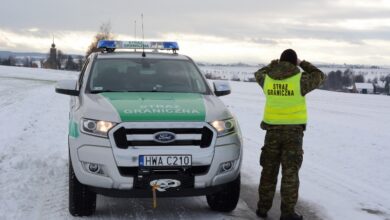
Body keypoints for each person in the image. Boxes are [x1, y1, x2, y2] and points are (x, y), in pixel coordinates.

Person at [254, 49, 326, 220]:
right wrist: (302, 64)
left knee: (268, 172)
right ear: (294, 62)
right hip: (293, 135)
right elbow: (319, 74)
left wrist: (273, 64)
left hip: (272, 132)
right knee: (290, 173)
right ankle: (287, 213)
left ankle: (262, 209)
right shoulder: (300, 80)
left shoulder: (268, 79)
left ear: (280, 61)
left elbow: (258, 73)